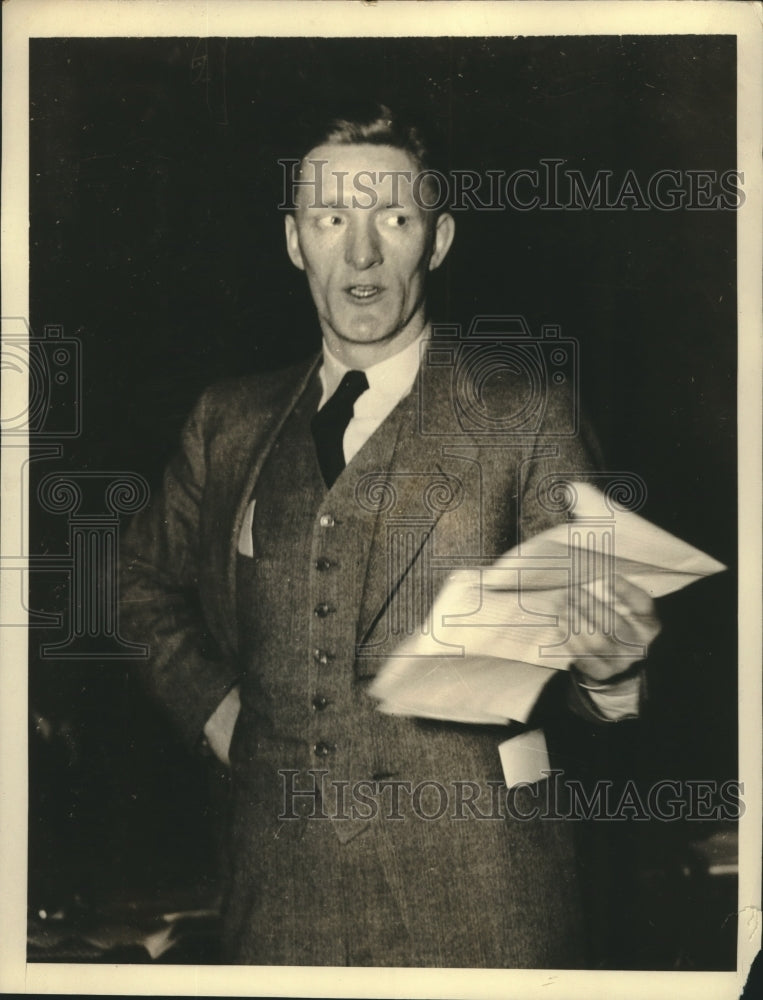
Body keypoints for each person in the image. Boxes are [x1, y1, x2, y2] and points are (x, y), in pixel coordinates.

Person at [119, 103, 660, 967]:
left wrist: (615, 672)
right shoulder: (227, 424)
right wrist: (214, 710)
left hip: (482, 906)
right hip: (276, 906)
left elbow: (595, 682)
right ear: (295, 240)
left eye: (394, 220)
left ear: (437, 242)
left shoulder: (522, 417)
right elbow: (136, 581)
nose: (361, 254)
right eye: (331, 219)